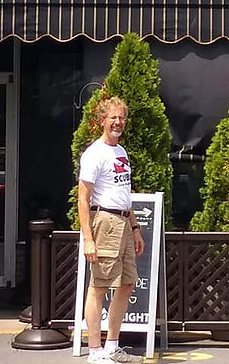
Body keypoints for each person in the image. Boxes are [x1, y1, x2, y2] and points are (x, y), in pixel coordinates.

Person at [77, 96, 145, 364]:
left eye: (121, 118)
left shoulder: (122, 153)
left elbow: (123, 194)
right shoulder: (94, 153)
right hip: (103, 222)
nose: (117, 122)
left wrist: (136, 228)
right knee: (99, 286)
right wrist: (88, 238)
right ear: (102, 121)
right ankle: (94, 352)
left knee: (127, 284)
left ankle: (112, 346)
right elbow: (83, 198)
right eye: (112, 118)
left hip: (124, 224)